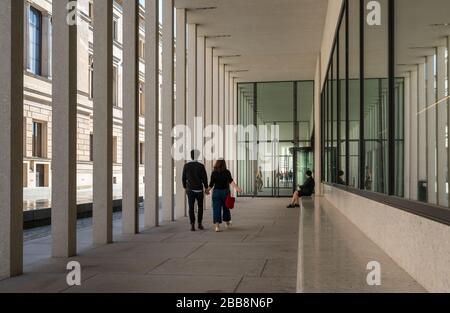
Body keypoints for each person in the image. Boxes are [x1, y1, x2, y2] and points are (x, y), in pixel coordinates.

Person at [206, 159, 242, 232]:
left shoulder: (214, 172)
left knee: (216, 209)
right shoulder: (227, 172)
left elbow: (211, 184)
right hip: (225, 192)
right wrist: (237, 188)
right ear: (224, 164)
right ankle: (227, 222)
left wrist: (207, 190)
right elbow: (231, 181)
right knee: (226, 207)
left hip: (216, 193)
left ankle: (217, 227)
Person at [182, 150, 208, 231]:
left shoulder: (186, 166)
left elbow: (183, 178)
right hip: (199, 190)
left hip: (190, 190)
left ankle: (192, 224)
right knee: (200, 207)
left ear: (191, 156)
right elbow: (205, 178)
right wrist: (206, 187)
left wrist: (185, 187)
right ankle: (199, 224)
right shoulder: (201, 166)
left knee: (191, 208)